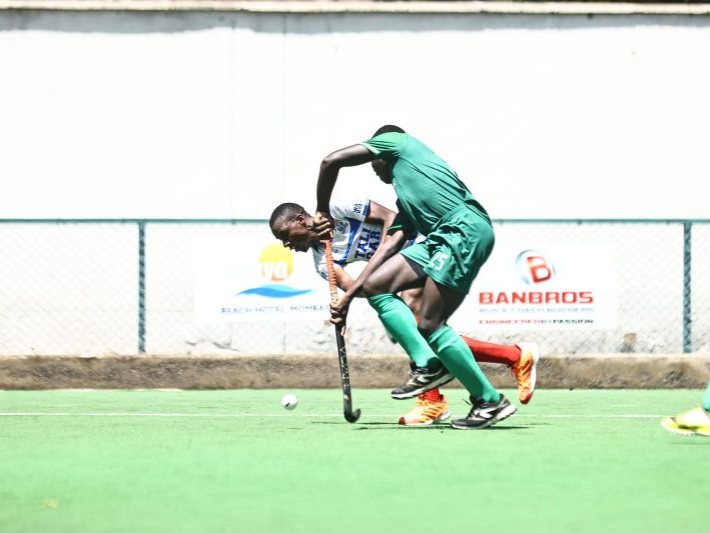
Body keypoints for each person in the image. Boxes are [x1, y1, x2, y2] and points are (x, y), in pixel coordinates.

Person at [312, 125, 517, 429]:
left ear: (382, 152)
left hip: (462, 231)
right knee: (375, 286)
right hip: (439, 239)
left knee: (429, 324)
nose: (374, 170)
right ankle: (428, 364)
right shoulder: (405, 199)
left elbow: (331, 161)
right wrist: (350, 296)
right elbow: (389, 245)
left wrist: (321, 210)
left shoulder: (396, 141)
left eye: (374, 163)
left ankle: (488, 401)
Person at [270, 199, 540, 426]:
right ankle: (513, 357)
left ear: (301, 221)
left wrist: (383, 267)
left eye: (285, 235)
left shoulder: (337, 208)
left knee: (412, 319)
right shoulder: (321, 260)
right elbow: (356, 288)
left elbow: (390, 218)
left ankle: (435, 401)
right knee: (411, 327)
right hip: (394, 272)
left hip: (421, 244)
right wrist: (344, 306)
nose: (286, 245)